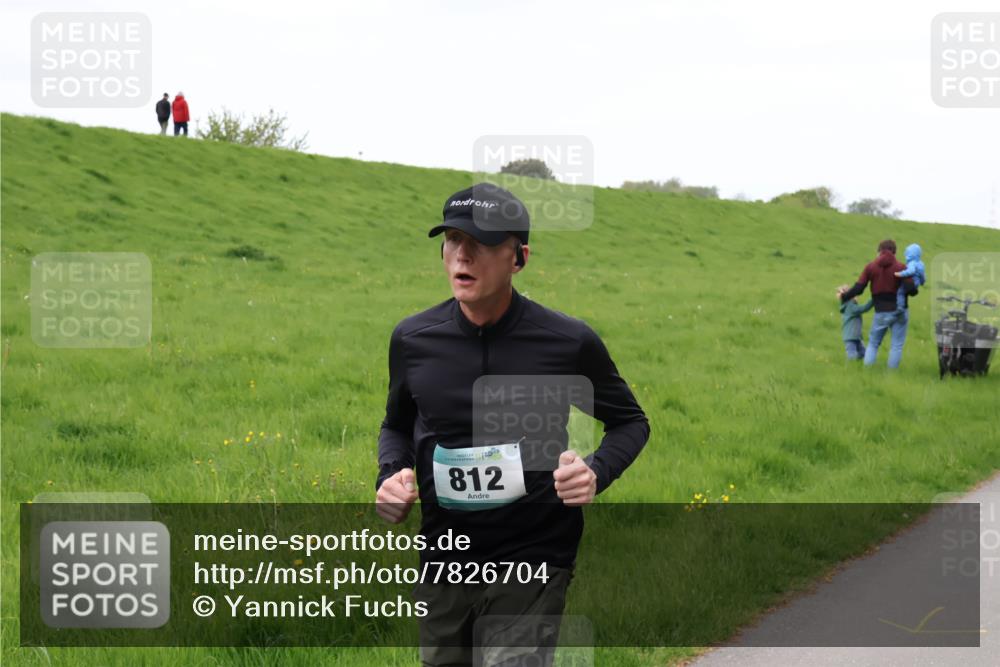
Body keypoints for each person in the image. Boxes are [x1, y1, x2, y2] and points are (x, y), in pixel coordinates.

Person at [375, 183, 650, 666]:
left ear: (518, 258)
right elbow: (396, 426)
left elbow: (629, 422)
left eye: (479, 244)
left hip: (534, 551)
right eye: (453, 241)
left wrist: (596, 471)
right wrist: (391, 475)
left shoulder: (567, 341)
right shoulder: (413, 339)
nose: (463, 255)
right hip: (446, 554)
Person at [840, 239, 918, 368]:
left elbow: (859, 289)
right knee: (896, 346)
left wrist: (845, 296)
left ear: (879, 251)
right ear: (894, 252)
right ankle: (891, 376)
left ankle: (868, 372)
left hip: (881, 312)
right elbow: (912, 291)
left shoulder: (870, 267)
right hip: (900, 311)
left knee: (873, 343)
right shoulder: (901, 267)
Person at [836, 284, 873, 361]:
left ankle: (858, 366)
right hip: (851, 336)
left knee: (863, 354)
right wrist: (873, 300)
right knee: (852, 356)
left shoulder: (848, 305)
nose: (857, 296)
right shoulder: (850, 306)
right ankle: (851, 368)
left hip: (856, 336)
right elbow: (864, 308)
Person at [893, 243, 926, 312]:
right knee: (904, 293)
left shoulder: (912, 263)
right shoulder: (921, 264)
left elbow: (911, 271)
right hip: (916, 284)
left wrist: (900, 274)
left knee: (900, 292)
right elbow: (922, 275)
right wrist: (922, 282)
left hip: (911, 282)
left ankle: (900, 306)